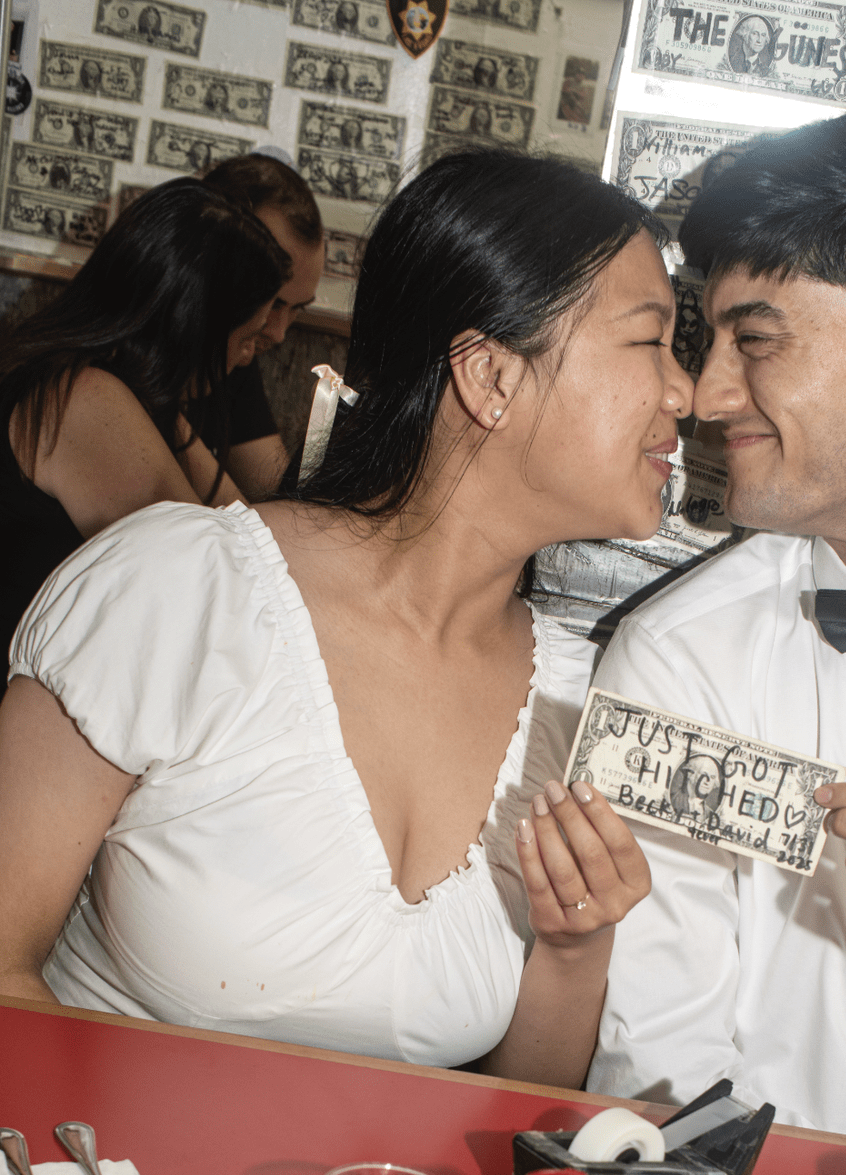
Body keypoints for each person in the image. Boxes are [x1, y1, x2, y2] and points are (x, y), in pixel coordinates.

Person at [0, 149, 693, 1086]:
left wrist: (576, 946)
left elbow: (516, 1107)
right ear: (491, 375)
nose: (687, 391)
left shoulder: (580, 705)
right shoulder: (178, 589)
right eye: (651, 342)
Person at [587, 103, 846, 1152]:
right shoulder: (678, 659)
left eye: (756, 340)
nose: (704, 392)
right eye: (708, 341)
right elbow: (659, 1068)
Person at [0, 175, 289, 684]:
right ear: (191, 329)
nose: (248, 356)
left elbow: (250, 532)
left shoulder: (132, 392)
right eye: (246, 337)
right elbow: (211, 582)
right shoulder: (81, 398)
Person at [199, 155, 326, 498]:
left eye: (297, 309)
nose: (279, 332)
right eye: (273, 302)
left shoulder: (238, 350)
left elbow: (276, 492)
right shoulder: (117, 373)